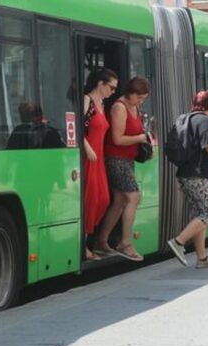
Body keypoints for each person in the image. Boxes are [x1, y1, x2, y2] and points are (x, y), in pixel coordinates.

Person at [166, 91, 208, 268]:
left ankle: (202, 258)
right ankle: (179, 242)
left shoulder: (185, 119)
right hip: (200, 175)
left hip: (185, 174)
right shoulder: (204, 121)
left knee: (200, 213)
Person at [95, 76, 151, 262]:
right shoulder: (119, 107)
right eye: (140, 98)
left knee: (119, 199)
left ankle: (101, 241)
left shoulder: (134, 107)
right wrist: (140, 139)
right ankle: (125, 243)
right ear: (131, 93)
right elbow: (117, 139)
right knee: (133, 196)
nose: (141, 101)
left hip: (127, 159)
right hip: (115, 158)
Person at [82, 68, 118, 261]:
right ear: (100, 84)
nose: (112, 92)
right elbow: (76, 127)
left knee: (102, 200)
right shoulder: (87, 100)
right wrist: (87, 148)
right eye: (111, 87)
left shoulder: (102, 104)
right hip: (89, 157)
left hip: (99, 159)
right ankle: (83, 245)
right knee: (90, 200)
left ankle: (88, 240)